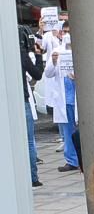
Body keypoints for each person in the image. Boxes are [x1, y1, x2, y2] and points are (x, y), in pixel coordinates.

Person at [43, 20, 79, 173]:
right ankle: (71, 160)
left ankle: (83, 158)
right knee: (67, 130)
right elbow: (48, 73)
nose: (67, 35)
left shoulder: (81, 50)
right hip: (64, 98)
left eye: (70, 32)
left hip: (77, 97)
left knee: (81, 129)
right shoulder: (57, 51)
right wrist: (53, 61)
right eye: (65, 32)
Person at [20, 37, 43, 187]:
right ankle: (33, 178)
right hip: (22, 99)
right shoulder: (20, 54)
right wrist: (39, 56)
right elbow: (37, 74)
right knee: (28, 141)